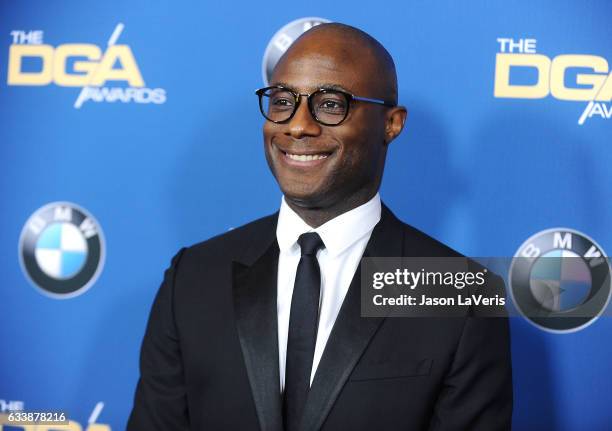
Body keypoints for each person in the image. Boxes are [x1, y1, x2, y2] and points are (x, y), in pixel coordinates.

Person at [127, 23, 512, 431]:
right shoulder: (195, 277)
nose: (298, 125)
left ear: (391, 124)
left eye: (330, 104)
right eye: (282, 101)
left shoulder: (454, 292)